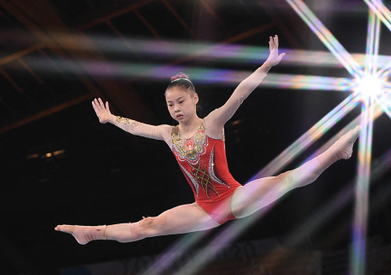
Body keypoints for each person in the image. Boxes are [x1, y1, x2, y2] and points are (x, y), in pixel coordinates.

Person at [55, 35, 359, 244]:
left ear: (194, 99)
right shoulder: (167, 133)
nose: (176, 109)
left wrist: (266, 65)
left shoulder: (213, 123)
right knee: (148, 226)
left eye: (181, 102)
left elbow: (239, 94)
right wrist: (111, 119)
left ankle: (338, 150)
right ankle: (92, 233)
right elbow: (137, 127)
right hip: (202, 208)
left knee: (288, 178)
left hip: (234, 198)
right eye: (171, 105)